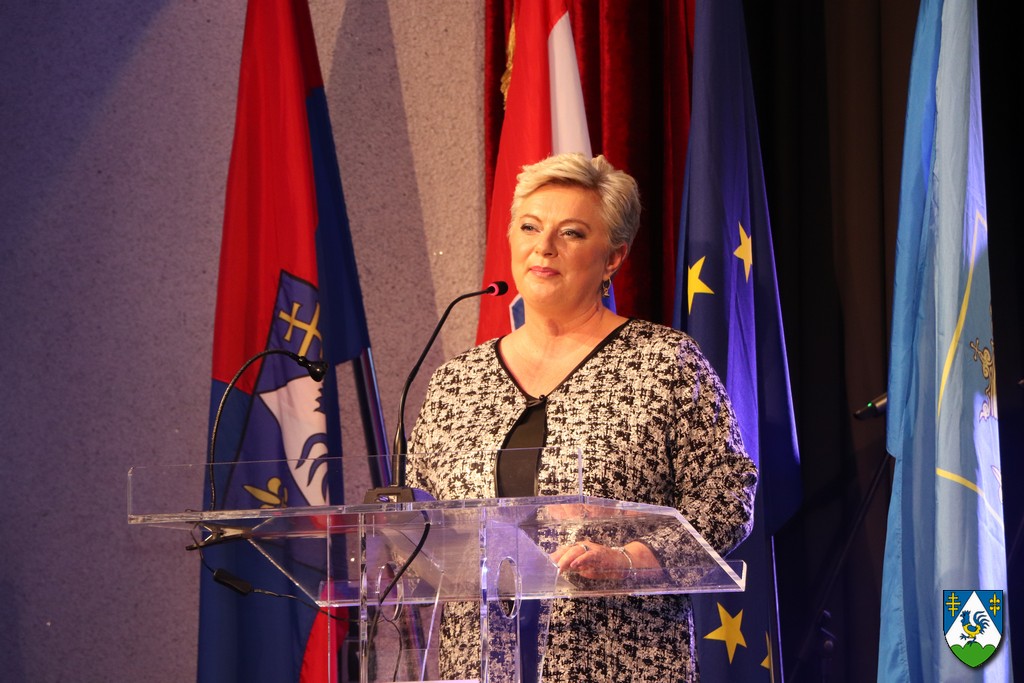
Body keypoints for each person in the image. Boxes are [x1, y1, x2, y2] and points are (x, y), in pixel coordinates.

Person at [407, 152, 757, 682]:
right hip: (477, 664)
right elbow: (418, 521)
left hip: (620, 660)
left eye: (570, 233)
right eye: (529, 227)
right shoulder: (457, 381)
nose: (543, 246)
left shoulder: (663, 362)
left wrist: (633, 559)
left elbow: (726, 496)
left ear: (613, 258)